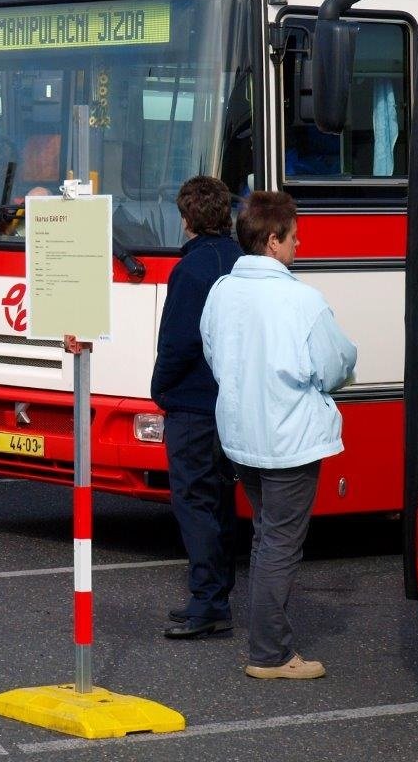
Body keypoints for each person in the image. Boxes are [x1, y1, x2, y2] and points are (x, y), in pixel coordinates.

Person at [201, 190, 357, 680]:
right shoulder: (301, 299)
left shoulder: (221, 291)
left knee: (266, 536)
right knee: (281, 543)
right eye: (292, 236)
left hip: (240, 434)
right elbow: (336, 364)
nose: (298, 244)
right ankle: (271, 652)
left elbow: (212, 354)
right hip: (289, 436)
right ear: (272, 241)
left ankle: (266, 640)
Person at [150, 176, 243, 641]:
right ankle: (217, 595)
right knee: (221, 501)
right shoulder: (239, 260)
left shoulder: (190, 270)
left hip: (192, 403)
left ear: (185, 218)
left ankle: (207, 600)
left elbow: (178, 342)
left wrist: (159, 388)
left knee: (194, 503)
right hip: (231, 402)